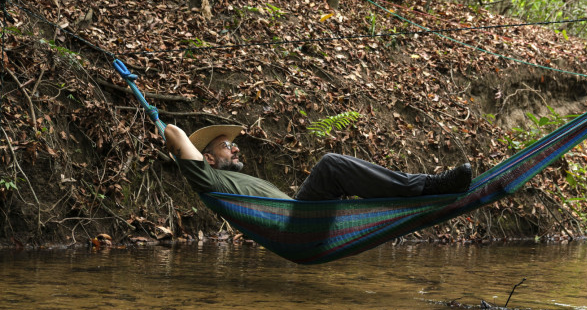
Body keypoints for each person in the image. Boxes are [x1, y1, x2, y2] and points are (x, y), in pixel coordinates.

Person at [163, 124, 473, 200]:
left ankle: (420, 190)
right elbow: (173, 131)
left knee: (333, 167)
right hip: (294, 225)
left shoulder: (231, 180)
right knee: (330, 164)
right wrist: (153, 113)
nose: (236, 150)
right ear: (208, 159)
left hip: (298, 217)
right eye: (226, 145)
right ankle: (428, 186)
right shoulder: (210, 179)